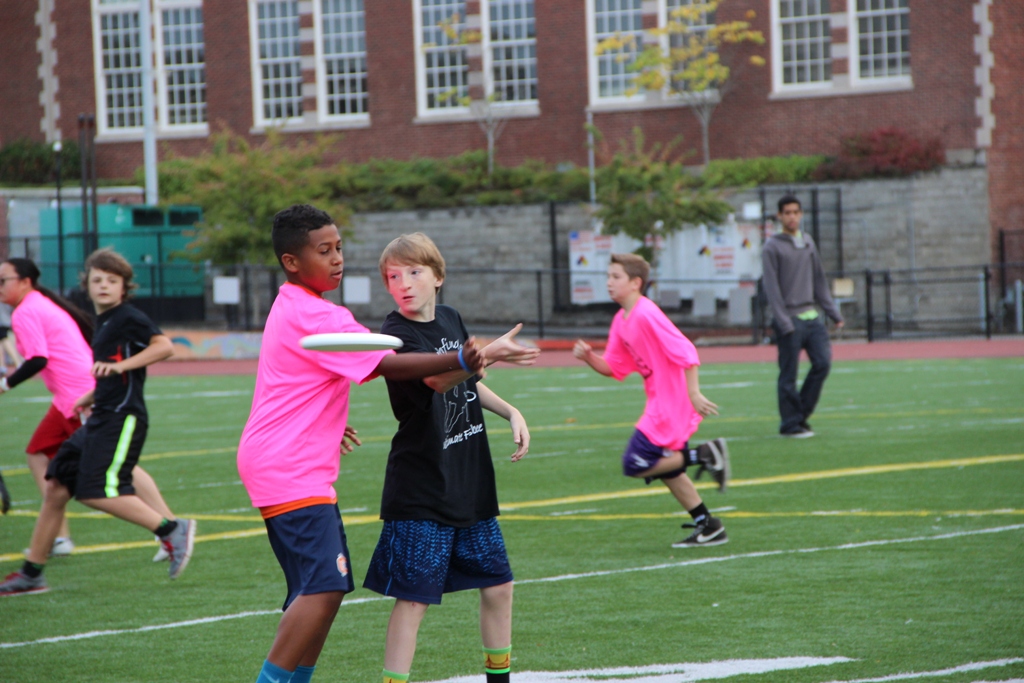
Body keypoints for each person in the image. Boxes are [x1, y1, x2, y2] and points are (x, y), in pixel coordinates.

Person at [237, 205, 531, 683]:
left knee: (322, 590)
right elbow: (387, 364)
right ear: (292, 262)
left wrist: (325, 424)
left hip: (298, 460)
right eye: (324, 250)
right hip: (289, 465)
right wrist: (468, 354)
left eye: (339, 249)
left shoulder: (305, 307)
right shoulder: (310, 312)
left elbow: (305, 380)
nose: (337, 259)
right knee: (323, 589)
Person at [363, 233, 539, 683]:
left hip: (467, 479)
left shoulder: (450, 318)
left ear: (438, 277)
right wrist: (486, 357)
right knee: (414, 599)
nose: (403, 283)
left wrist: (509, 410)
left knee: (499, 585)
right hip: (422, 485)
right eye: (393, 276)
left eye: (414, 272)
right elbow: (440, 381)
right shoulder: (396, 334)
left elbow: (466, 382)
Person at [0, 249, 194, 597]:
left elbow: (164, 347)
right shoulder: (103, 321)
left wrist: (121, 368)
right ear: (86, 286)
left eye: (112, 280)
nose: (103, 286)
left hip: (121, 416)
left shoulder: (126, 317)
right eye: (97, 280)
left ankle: (170, 529)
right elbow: (108, 369)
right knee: (57, 484)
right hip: (100, 411)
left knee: (95, 491)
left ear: (124, 287)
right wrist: (87, 397)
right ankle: (32, 573)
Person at [573, 253, 730, 548]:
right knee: (669, 468)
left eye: (615, 277)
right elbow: (614, 368)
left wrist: (694, 393)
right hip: (661, 401)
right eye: (608, 276)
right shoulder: (622, 320)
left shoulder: (647, 314)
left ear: (635, 283)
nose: (608, 282)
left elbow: (686, 351)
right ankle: (708, 525)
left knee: (634, 463)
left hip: (670, 403)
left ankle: (705, 455)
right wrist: (590, 357)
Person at [761, 195, 844, 438]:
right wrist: (783, 321)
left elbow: (819, 280)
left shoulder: (808, 242)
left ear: (801, 214)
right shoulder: (772, 246)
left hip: (812, 318)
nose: (792, 216)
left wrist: (833, 312)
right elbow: (772, 288)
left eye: (796, 212)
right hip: (789, 320)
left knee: (823, 363)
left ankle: (800, 416)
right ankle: (790, 425)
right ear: (779, 216)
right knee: (788, 374)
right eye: (787, 212)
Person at [0, 301, 23, 369]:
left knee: (4, 339)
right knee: (1, 342)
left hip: (3, 321)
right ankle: (2, 366)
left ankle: (18, 362)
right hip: (6, 320)